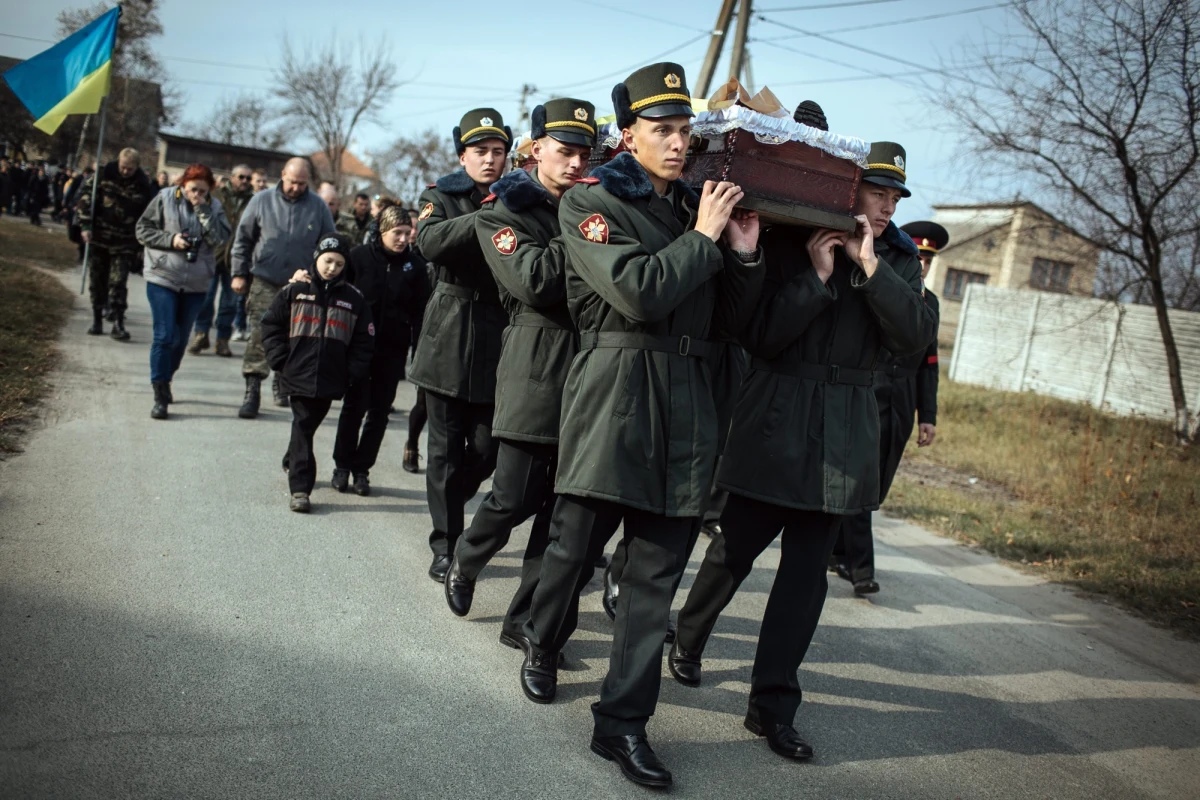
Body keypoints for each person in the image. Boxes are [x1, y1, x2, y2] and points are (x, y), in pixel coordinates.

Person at [516, 64, 763, 789]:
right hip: (616, 395)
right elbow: (638, 292)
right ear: (628, 137)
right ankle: (541, 639)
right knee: (574, 548)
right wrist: (705, 235)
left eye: (687, 131)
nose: (679, 144)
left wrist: (741, 254)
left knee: (653, 582)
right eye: (663, 131)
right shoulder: (592, 203)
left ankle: (621, 726)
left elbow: (729, 325)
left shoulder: (700, 209)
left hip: (687, 408)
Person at [667, 142, 937, 764]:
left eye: (897, 196)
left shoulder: (896, 255)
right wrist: (816, 278)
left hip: (845, 428)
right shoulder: (797, 236)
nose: (889, 205)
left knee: (804, 578)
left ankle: (772, 708)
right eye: (878, 192)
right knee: (733, 548)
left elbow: (914, 337)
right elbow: (758, 335)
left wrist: (871, 270)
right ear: (850, 190)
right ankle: (687, 637)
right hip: (778, 414)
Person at [443, 99, 596, 648]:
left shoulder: (596, 205)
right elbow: (536, 283)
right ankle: (465, 557)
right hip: (535, 366)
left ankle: (525, 623)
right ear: (535, 151)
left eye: (585, 153)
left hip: (590, 372)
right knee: (513, 496)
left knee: (561, 517)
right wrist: (580, 226)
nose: (576, 164)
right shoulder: (501, 212)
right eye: (564, 152)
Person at [408, 108, 511, 583]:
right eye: (481, 152)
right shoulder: (440, 197)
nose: (491, 160)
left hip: (496, 334)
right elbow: (430, 243)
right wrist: (487, 216)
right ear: (462, 156)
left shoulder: (516, 198)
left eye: (499, 152)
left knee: (489, 449)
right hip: (449, 331)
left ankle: (455, 501)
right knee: (444, 451)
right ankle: (445, 544)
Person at [831, 220, 945, 594]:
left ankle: (837, 549)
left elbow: (929, 364)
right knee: (861, 483)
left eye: (927, 260)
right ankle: (861, 568)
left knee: (876, 489)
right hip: (868, 394)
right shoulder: (877, 285)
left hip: (900, 407)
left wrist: (926, 415)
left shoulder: (930, 303)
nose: (922, 266)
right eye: (918, 257)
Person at [261, 235, 374, 513]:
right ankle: (300, 488)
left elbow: (364, 342)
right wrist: (279, 360)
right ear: (316, 260)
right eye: (327, 261)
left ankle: (293, 454)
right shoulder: (295, 291)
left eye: (338, 263)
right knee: (302, 424)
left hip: (331, 378)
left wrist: (350, 372)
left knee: (307, 425)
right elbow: (271, 325)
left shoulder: (354, 299)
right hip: (296, 374)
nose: (331, 267)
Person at [328, 202, 430, 495]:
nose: (403, 239)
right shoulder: (358, 258)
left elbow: (420, 313)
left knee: (379, 412)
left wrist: (417, 350)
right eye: (397, 232)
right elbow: (339, 297)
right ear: (382, 231)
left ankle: (362, 470)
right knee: (353, 407)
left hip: (392, 351)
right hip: (358, 349)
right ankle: (342, 466)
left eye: (407, 233)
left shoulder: (415, 267)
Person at [230, 157, 336, 418]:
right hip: (265, 279)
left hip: (301, 284)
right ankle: (252, 389)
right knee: (260, 335)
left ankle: (282, 382)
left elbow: (329, 243)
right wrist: (239, 274)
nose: (295, 188)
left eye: (301, 184)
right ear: (282, 176)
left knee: (294, 338)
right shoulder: (261, 200)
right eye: (291, 182)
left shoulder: (318, 206)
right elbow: (243, 239)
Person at [135, 163, 231, 420]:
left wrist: (203, 211)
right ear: (182, 185)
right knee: (164, 336)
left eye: (202, 190)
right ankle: (159, 393)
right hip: (163, 276)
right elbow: (142, 230)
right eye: (191, 189)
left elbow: (220, 240)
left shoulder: (214, 207)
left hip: (196, 283)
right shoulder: (165, 198)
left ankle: (167, 377)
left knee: (179, 340)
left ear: (210, 189)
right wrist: (171, 240)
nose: (196, 194)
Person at [77, 148, 156, 341]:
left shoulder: (143, 185)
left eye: (130, 168)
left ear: (136, 167)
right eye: (123, 167)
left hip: (124, 242)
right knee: (97, 280)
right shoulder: (103, 175)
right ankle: (97, 319)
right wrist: (85, 224)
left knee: (118, 282)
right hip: (100, 238)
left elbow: (147, 214)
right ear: (118, 163)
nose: (126, 171)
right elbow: (86, 198)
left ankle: (118, 321)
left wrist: (142, 245)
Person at [189, 164, 255, 358]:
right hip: (211, 253)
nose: (244, 182)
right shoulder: (216, 196)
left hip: (237, 258)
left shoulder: (253, 201)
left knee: (230, 301)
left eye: (248, 179)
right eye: (241, 177)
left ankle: (222, 339)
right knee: (205, 297)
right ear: (232, 177)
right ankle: (201, 333)